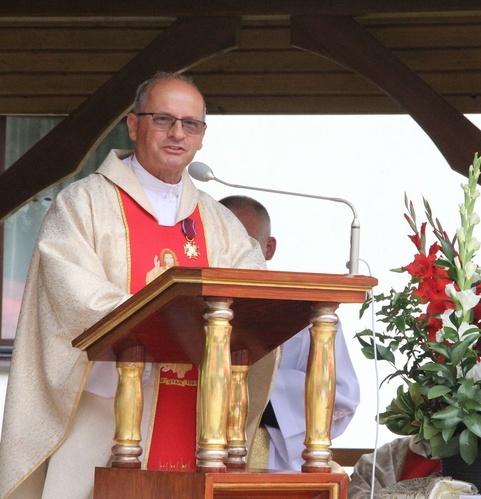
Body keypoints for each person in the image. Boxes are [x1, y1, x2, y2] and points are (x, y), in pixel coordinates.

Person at [0, 72, 278, 498]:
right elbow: (71, 293)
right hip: (101, 417)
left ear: (202, 137)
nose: (177, 134)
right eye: (164, 119)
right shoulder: (85, 204)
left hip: (196, 421)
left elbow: (254, 294)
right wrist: (164, 320)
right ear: (134, 125)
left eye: (191, 124)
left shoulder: (218, 222)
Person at [219, 195, 360, 471]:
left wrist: (249, 389)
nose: (232, 253)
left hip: (280, 467)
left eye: (245, 243)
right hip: (198, 460)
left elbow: (341, 399)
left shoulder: (310, 314)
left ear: (269, 248)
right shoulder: (189, 309)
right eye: (223, 242)